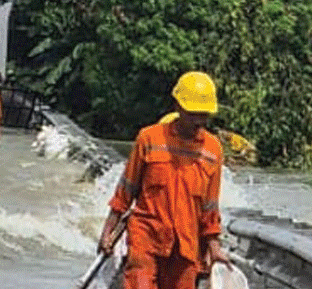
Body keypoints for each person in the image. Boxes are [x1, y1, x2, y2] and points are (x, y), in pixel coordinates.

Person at [98, 71, 230, 289]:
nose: (199, 120)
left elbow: (210, 208)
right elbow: (126, 190)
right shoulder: (149, 138)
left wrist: (213, 248)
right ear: (177, 106)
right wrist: (108, 232)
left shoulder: (213, 149)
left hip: (186, 246)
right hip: (146, 236)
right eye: (193, 113)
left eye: (204, 115)